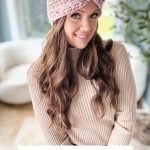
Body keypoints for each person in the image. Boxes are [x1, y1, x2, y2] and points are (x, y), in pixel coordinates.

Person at [27, 0, 137, 145]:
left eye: (93, 15)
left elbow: (126, 117)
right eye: (76, 15)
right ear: (58, 19)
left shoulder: (115, 54)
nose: (87, 27)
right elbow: (55, 138)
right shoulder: (38, 74)